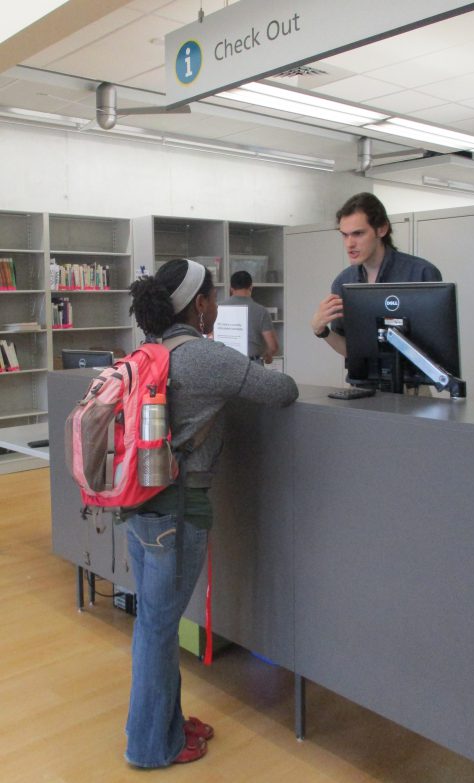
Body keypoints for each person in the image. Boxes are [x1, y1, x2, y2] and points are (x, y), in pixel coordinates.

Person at [126, 258, 298, 769]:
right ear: (198, 304)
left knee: (153, 623)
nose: (218, 305)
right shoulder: (205, 357)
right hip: (179, 508)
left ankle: (167, 725)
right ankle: (151, 745)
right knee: (158, 629)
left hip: (138, 506)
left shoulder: (148, 350)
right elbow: (282, 390)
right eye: (214, 297)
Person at [311, 192, 442, 358]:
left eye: (358, 234)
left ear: (382, 229)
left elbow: (436, 348)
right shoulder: (343, 282)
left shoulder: (420, 273)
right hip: (363, 382)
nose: (349, 244)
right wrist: (322, 331)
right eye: (345, 235)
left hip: (410, 382)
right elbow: (351, 351)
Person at [221, 270, 279, 363]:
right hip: (252, 364)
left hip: (225, 363)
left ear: (231, 289)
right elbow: (273, 346)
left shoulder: (217, 308)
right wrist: (267, 356)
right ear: (251, 287)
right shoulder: (261, 311)